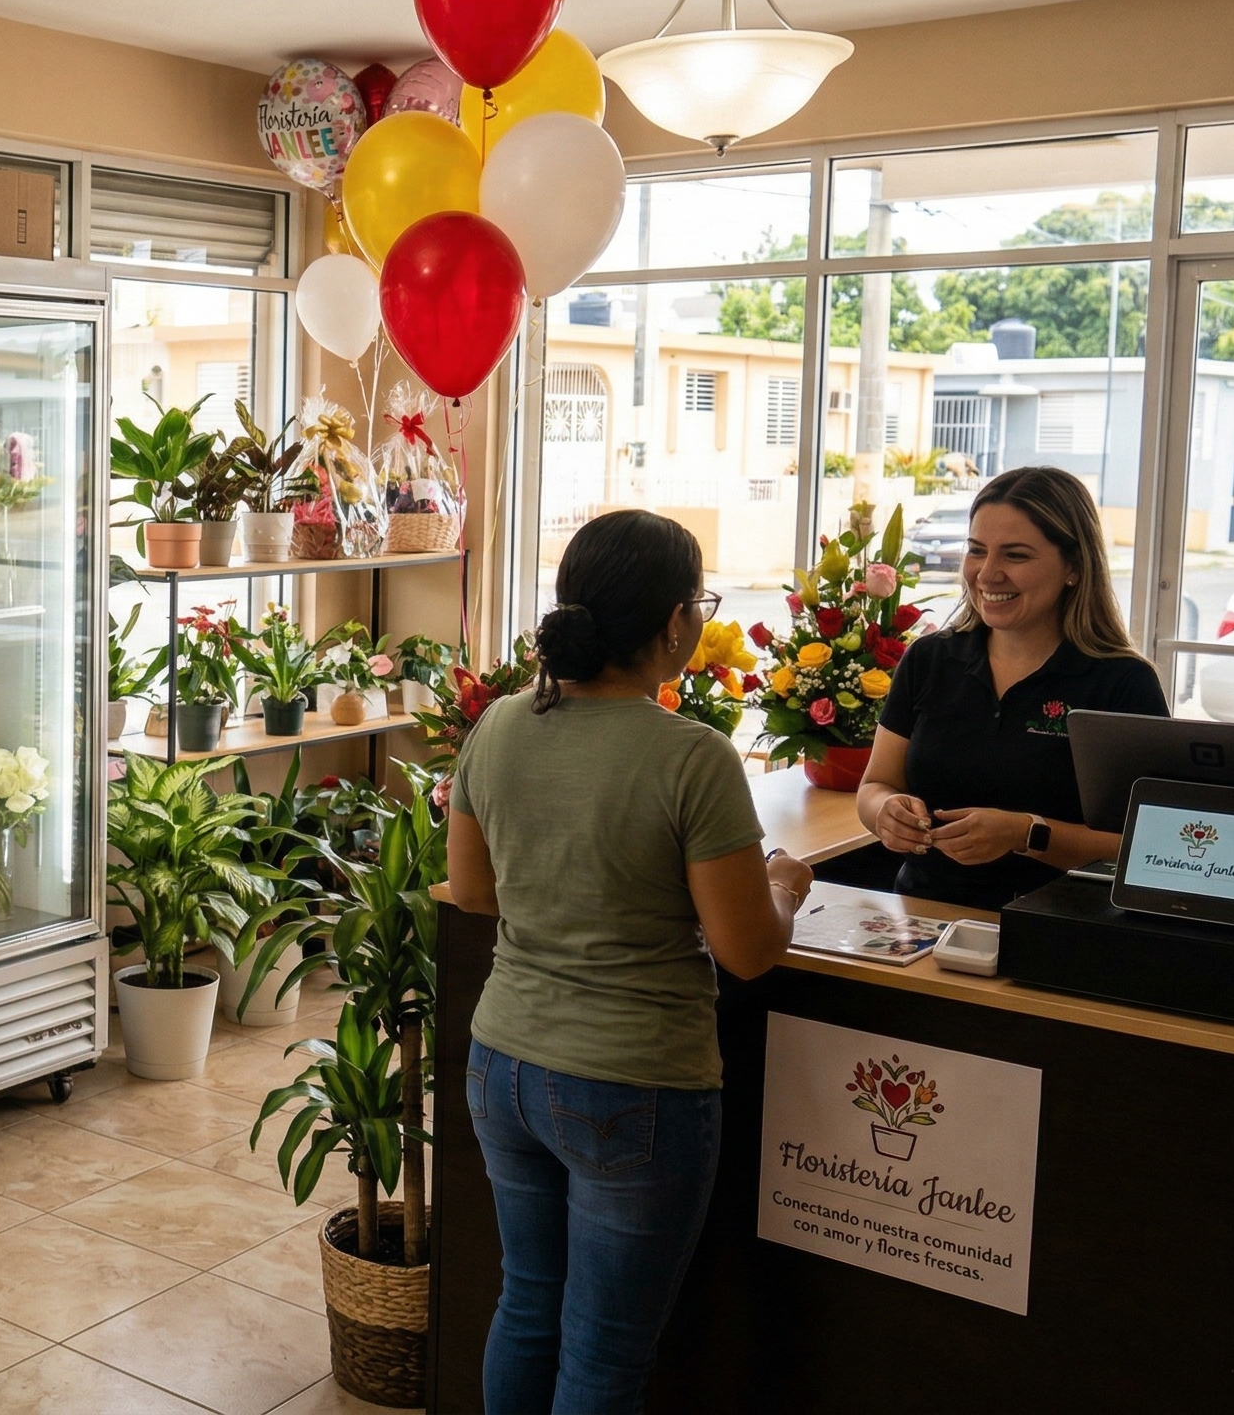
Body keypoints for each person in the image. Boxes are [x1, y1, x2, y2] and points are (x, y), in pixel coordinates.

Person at [446, 509, 814, 1413]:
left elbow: (473, 892)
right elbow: (748, 951)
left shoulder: (497, 725)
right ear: (677, 623)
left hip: (502, 1065)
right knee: (605, 1354)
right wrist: (786, 890)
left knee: (527, 1304)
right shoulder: (691, 756)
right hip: (633, 1085)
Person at [856, 466, 1168, 905]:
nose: (988, 574)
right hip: (924, 921)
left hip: (1061, 933)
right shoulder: (928, 660)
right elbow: (875, 786)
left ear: (1074, 567)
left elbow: (1150, 846)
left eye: (1016, 556)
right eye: (977, 550)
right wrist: (884, 813)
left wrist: (1028, 833)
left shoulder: (1122, 684)